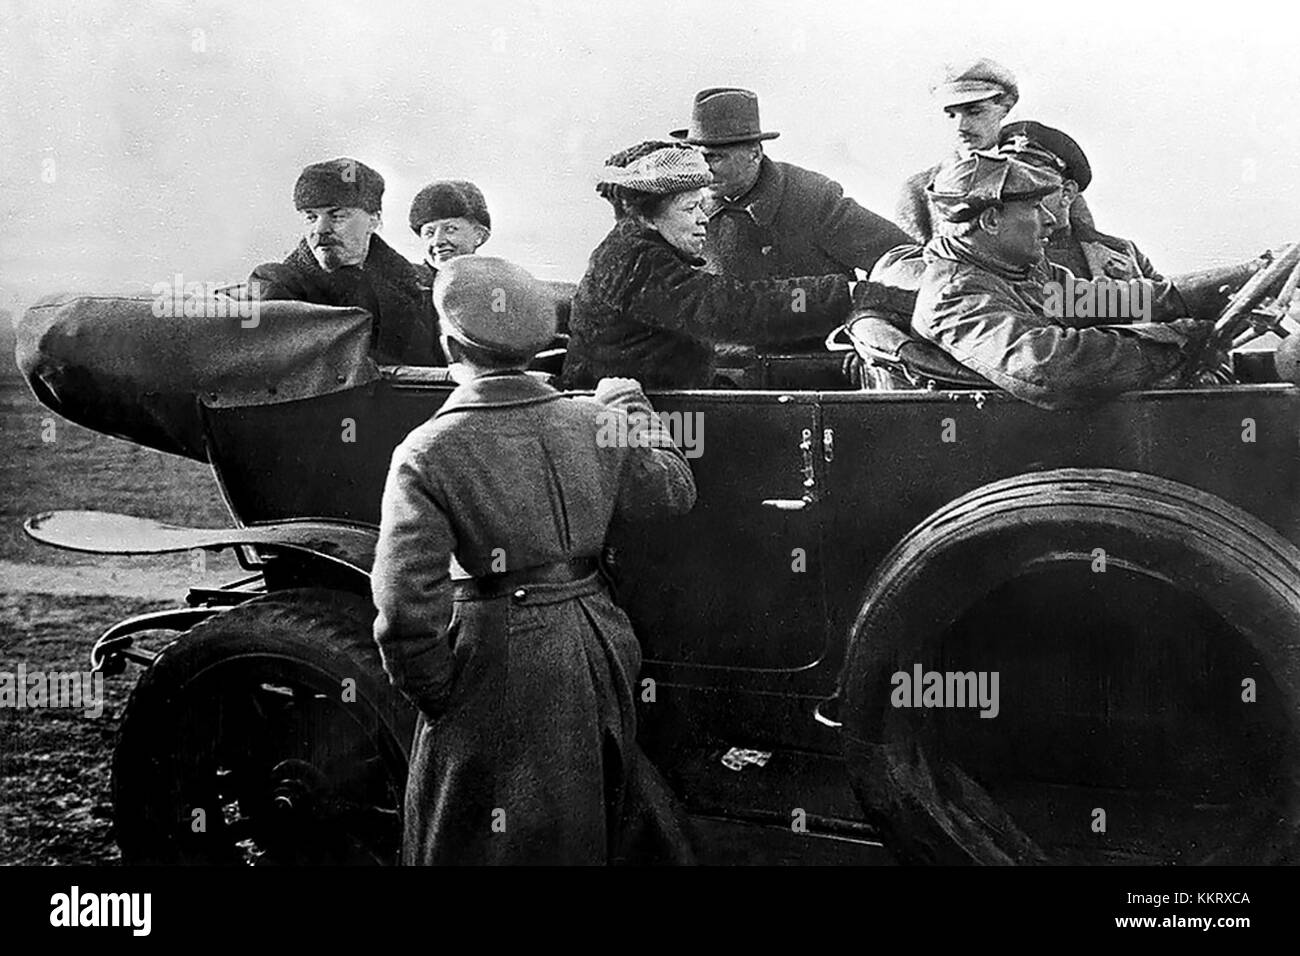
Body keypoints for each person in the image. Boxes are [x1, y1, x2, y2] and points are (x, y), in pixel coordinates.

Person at [371, 254, 697, 865]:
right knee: (596, 813)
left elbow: (405, 608)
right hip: (601, 637)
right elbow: (672, 494)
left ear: (448, 345)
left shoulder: (428, 449)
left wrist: (440, 694)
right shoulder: (594, 420)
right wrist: (632, 411)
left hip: (497, 652)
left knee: (483, 837)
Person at [562, 140, 907, 389]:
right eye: (688, 209)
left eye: (701, 206)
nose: (703, 220)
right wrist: (845, 295)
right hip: (627, 424)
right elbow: (732, 309)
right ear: (647, 218)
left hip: (659, 406)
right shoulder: (633, 260)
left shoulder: (636, 249)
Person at [910, 152, 1220, 409]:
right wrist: (1178, 343)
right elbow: (1047, 367)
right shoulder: (955, 295)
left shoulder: (1017, 270)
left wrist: (1218, 290)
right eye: (1034, 207)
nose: (1049, 219)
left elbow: (1108, 302)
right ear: (991, 221)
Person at [670, 87, 910, 281]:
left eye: (715, 157)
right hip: (721, 339)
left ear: (755, 153)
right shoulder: (684, 206)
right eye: (696, 156)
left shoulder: (811, 197)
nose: (702, 168)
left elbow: (897, 256)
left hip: (812, 334)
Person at [248, 157, 438, 365]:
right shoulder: (279, 287)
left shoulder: (417, 284)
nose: (320, 230)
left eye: (337, 216)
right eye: (311, 217)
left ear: (373, 220)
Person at [997, 121, 1163, 281]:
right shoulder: (989, 252)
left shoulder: (1123, 251)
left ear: (1067, 193)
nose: (1011, 191)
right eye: (1005, 181)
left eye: (1032, 182)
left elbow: (1171, 303)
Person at [407, 179, 493, 287]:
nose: (438, 241)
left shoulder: (494, 286)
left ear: (479, 235)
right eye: (429, 233)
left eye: (450, 229)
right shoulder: (409, 286)